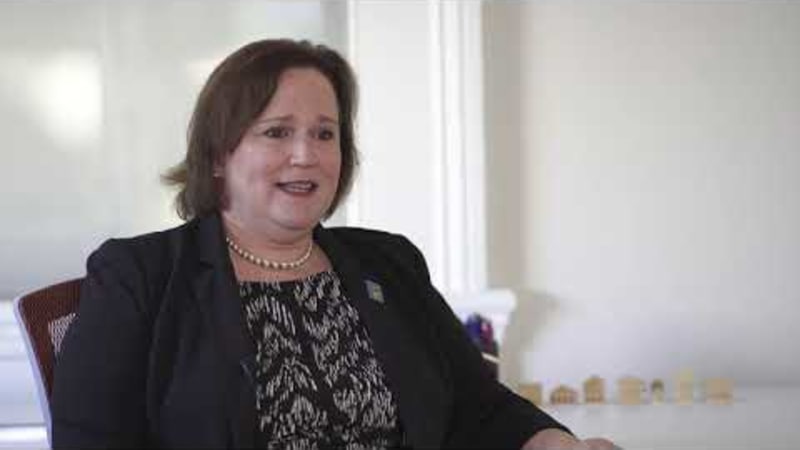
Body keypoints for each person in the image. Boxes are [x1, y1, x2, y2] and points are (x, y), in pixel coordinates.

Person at [51, 39, 616, 449]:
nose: (307, 155)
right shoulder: (139, 275)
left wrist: (550, 442)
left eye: (325, 133)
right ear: (219, 155)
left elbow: (480, 408)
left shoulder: (388, 262)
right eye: (277, 132)